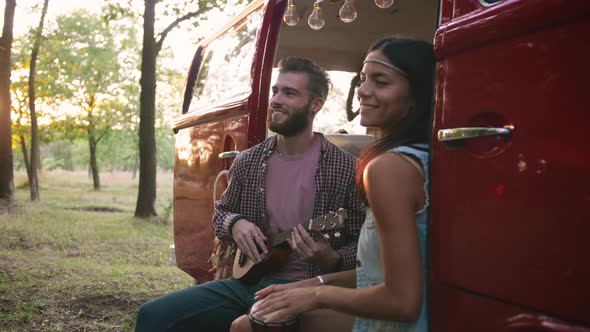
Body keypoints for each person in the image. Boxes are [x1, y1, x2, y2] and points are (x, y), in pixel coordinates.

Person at [134, 56, 366, 332]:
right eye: (275, 91)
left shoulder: (345, 168)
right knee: (153, 315)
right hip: (247, 282)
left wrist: (333, 258)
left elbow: (366, 242)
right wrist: (235, 224)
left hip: (306, 291)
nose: (276, 100)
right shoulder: (250, 161)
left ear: (316, 105)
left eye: (289, 93)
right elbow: (221, 212)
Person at [230, 37, 435, 332]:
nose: (363, 91)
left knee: (245, 327)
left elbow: (402, 301)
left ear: (416, 95)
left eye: (381, 82)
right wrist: (313, 284)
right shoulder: (420, 157)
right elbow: (376, 273)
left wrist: (317, 292)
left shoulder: (387, 168)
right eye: (362, 79)